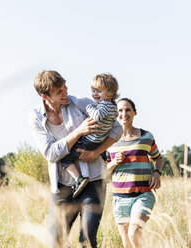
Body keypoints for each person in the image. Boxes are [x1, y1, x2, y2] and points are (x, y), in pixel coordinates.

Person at [28, 70, 123, 248]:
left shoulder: (82, 103)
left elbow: (117, 129)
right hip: (62, 188)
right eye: (59, 92)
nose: (65, 93)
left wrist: (96, 153)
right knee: (56, 242)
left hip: (93, 182)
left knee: (86, 242)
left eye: (65, 87)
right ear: (45, 96)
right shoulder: (35, 118)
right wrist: (79, 132)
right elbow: (50, 153)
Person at [106, 98, 163, 248]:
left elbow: (157, 158)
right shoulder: (108, 141)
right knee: (127, 243)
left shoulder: (146, 137)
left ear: (134, 112)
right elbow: (102, 171)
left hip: (143, 195)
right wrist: (114, 162)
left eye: (127, 110)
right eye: (120, 110)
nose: (124, 113)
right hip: (119, 198)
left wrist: (156, 172)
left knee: (134, 233)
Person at [60, 73, 119, 198]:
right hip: (99, 140)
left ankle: (79, 179)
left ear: (110, 92)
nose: (95, 94)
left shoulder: (104, 105)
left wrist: (89, 107)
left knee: (64, 158)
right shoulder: (113, 106)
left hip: (90, 139)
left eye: (99, 91)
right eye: (93, 91)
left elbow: (96, 116)